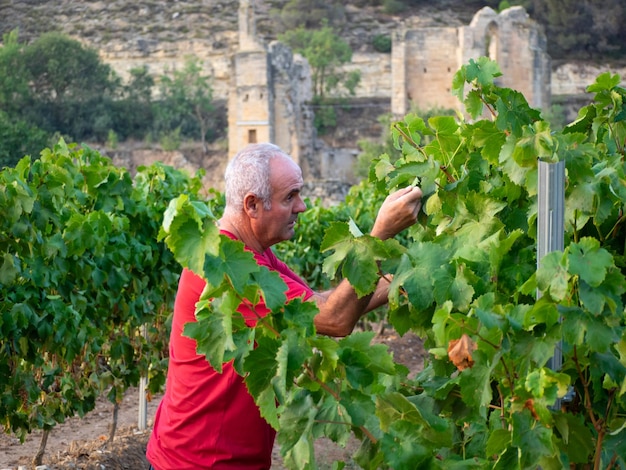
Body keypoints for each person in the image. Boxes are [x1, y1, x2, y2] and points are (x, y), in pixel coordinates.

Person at [146, 142, 423, 469]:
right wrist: (379, 235)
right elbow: (335, 318)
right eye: (289, 197)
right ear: (252, 205)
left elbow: (322, 306)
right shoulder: (227, 267)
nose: (302, 206)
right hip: (196, 462)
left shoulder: (250, 253)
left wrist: (408, 276)